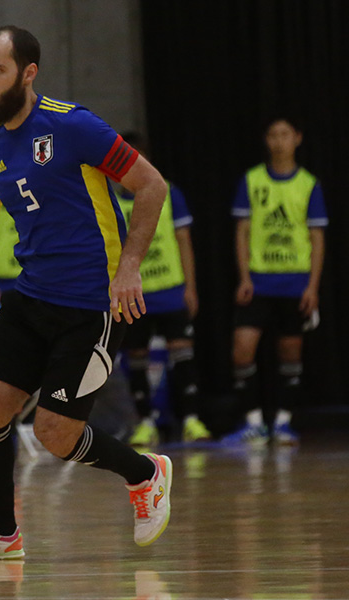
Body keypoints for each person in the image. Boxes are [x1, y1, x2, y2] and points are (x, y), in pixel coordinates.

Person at [0, 26, 173, 561]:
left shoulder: (73, 126)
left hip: (93, 305)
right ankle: (2, 534)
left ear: (28, 72)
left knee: (56, 434)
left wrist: (130, 265)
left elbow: (151, 186)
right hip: (31, 296)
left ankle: (146, 473)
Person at [226, 116, 327, 445]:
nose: (279, 141)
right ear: (266, 140)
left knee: (290, 353)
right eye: (272, 135)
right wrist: (244, 276)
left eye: (285, 134)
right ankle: (254, 422)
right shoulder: (252, 180)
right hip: (258, 282)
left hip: (294, 282)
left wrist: (312, 287)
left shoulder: (308, 184)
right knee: (242, 351)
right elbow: (241, 231)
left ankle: (282, 423)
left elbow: (317, 238)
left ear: (297, 138)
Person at [115, 132, 211, 446]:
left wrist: (190, 287)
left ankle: (192, 420)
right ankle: (145, 423)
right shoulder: (111, 201)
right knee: (137, 357)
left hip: (170, 288)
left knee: (182, 353)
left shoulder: (168, 192)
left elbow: (184, 241)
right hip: (134, 292)